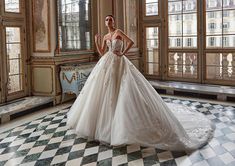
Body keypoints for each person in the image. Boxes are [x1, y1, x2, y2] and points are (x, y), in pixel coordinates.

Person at [67, 15, 215, 151]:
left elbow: (131, 42)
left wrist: (123, 53)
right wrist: (97, 42)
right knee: (105, 90)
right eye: (107, 20)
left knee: (122, 88)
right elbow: (101, 51)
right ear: (105, 22)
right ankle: (105, 127)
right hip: (107, 62)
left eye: (111, 19)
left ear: (114, 22)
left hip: (119, 62)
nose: (109, 22)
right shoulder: (106, 36)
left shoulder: (118, 31)